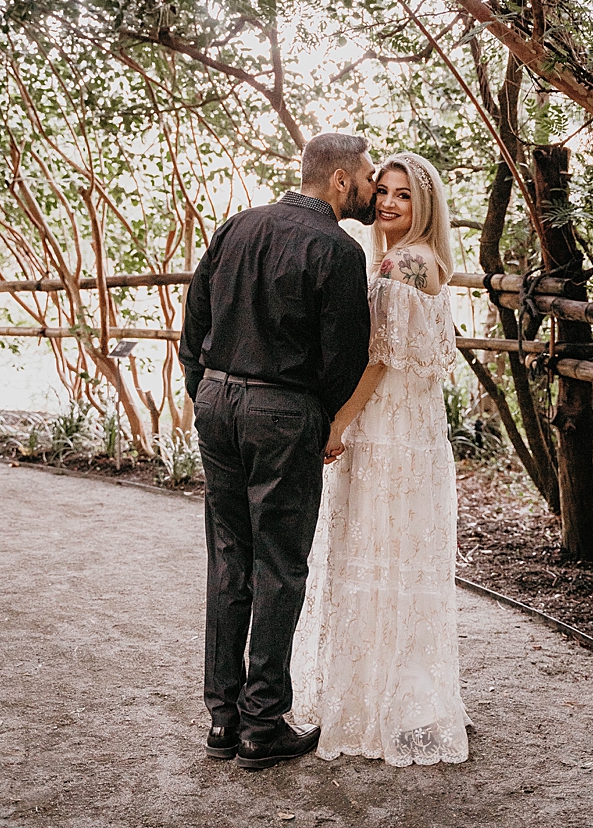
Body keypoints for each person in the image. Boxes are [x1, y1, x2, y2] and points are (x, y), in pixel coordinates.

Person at [179, 132, 378, 771]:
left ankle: (222, 720)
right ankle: (262, 726)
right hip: (283, 409)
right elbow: (343, 357)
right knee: (281, 563)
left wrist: (207, 390)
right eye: (370, 177)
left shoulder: (237, 226)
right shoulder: (339, 250)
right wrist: (313, 416)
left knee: (228, 558)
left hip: (218, 401)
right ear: (342, 180)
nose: (375, 189)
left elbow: (195, 320)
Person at [291, 152, 470, 766]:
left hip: (389, 430)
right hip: (415, 429)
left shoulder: (401, 262)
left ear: (425, 207)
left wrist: (339, 420)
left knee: (376, 554)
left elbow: (381, 357)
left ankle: (376, 706)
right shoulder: (430, 263)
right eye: (384, 191)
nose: (389, 203)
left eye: (404, 195)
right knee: (399, 560)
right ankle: (403, 699)